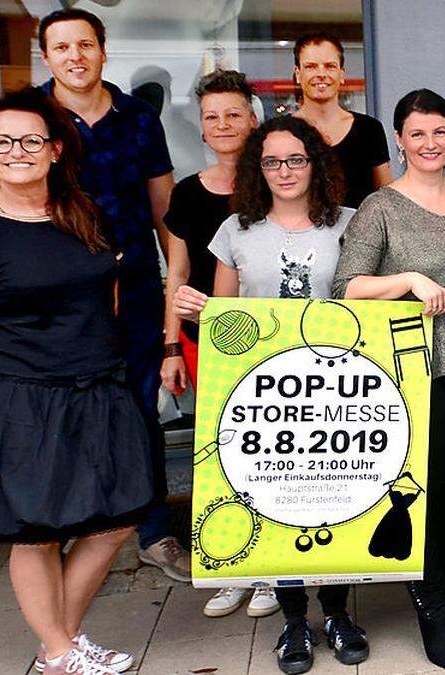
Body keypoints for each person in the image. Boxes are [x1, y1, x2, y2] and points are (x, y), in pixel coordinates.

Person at [0, 88, 154, 675]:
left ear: (55, 150)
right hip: (25, 399)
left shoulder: (87, 215)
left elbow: (105, 303)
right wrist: (1, 404)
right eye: (2, 142)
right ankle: (58, 653)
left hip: (100, 390)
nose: (17, 151)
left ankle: (62, 637)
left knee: (116, 520)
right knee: (33, 533)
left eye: (31, 140)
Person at [0, 7, 188, 583]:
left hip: (134, 289)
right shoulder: (26, 118)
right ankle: (64, 529)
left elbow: (165, 217)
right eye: (61, 47)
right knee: (58, 411)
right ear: (47, 55)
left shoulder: (139, 117)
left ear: (102, 49)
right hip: (49, 296)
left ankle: (151, 533)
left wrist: (174, 295)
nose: (75, 56)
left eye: (85, 45)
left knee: (140, 411)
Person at [172, 116, 361, 675]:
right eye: (272, 161)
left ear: (316, 164)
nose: (284, 171)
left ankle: (337, 612)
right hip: (265, 390)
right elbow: (225, 319)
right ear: (258, 168)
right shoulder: (235, 229)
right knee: (278, 502)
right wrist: (199, 311)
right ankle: (294, 620)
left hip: (336, 387)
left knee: (335, 498)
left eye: (295, 159)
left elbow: (365, 301)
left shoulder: (349, 223)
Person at [333, 88, 445, 670]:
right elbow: (345, 285)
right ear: (399, 140)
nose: (430, 143)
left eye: (439, 132)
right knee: (428, 489)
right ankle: (430, 609)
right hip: (413, 369)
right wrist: (407, 279)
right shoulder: (381, 207)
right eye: (417, 133)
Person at [158, 69, 280, 620]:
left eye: (234, 113)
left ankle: (275, 574)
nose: (224, 124)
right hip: (206, 339)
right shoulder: (187, 192)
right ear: (202, 129)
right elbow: (178, 271)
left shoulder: (280, 181)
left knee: (277, 456)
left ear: (253, 120)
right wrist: (168, 348)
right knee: (223, 455)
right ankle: (235, 567)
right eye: (212, 116)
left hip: (274, 338)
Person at [292, 30, 391, 208]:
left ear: (342, 74)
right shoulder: (279, 132)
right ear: (298, 74)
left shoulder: (369, 130)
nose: (321, 74)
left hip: (360, 234)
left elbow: (386, 196)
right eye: (311, 66)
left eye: (330, 66)